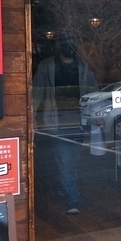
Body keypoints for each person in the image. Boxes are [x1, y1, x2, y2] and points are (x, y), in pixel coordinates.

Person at [33, 34, 98, 214]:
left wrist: (98, 115)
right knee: (65, 162)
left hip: (79, 123)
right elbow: (36, 92)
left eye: (73, 41)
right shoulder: (47, 66)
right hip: (56, 123)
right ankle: (73, 200)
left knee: (72, 163)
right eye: (65, 41)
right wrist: (31, 117)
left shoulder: (83, 67)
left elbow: (94, 92)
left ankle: (65, 187)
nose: (69, 45)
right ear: (58, 44)